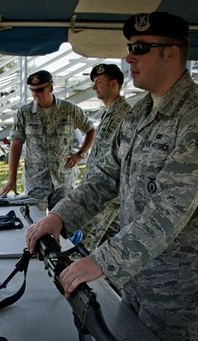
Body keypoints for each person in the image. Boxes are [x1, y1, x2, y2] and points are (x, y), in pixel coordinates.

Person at [26, 12, 198, 341]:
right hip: (134, 272)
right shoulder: (140, 113)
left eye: (139, 48)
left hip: (175, 284)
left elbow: (169, 211)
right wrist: (59, 216)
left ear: (170, 54)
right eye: (129, 48)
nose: (128, 58)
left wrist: (101, 261)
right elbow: (106, 177)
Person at [0, 70, 95, 212]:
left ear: (50, 88)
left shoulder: (69, 110)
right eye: (32, 90)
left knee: (62, 225)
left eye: (39, 90)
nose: (35, 94)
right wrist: (11, 178)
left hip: (63, 180)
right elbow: (16, 144)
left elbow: (90, 130)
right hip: (36, 181)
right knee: (34, 224)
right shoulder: (24, 113)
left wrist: (80, 154)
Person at [80, 64, 131, 250]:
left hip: (107, 194)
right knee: (104, 247)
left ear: (114, 84)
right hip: (98, 189)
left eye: (99, 82)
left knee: (84, 246)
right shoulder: (109, 112)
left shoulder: (126, 114)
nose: (94, 87)